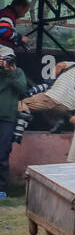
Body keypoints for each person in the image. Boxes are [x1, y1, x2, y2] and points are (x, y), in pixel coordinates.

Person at [0, 45, 28, 198]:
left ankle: (1, 188)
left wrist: (9, 73)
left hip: (7, 119)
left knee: (2, 153)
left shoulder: (17, 72)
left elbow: (23, 89)